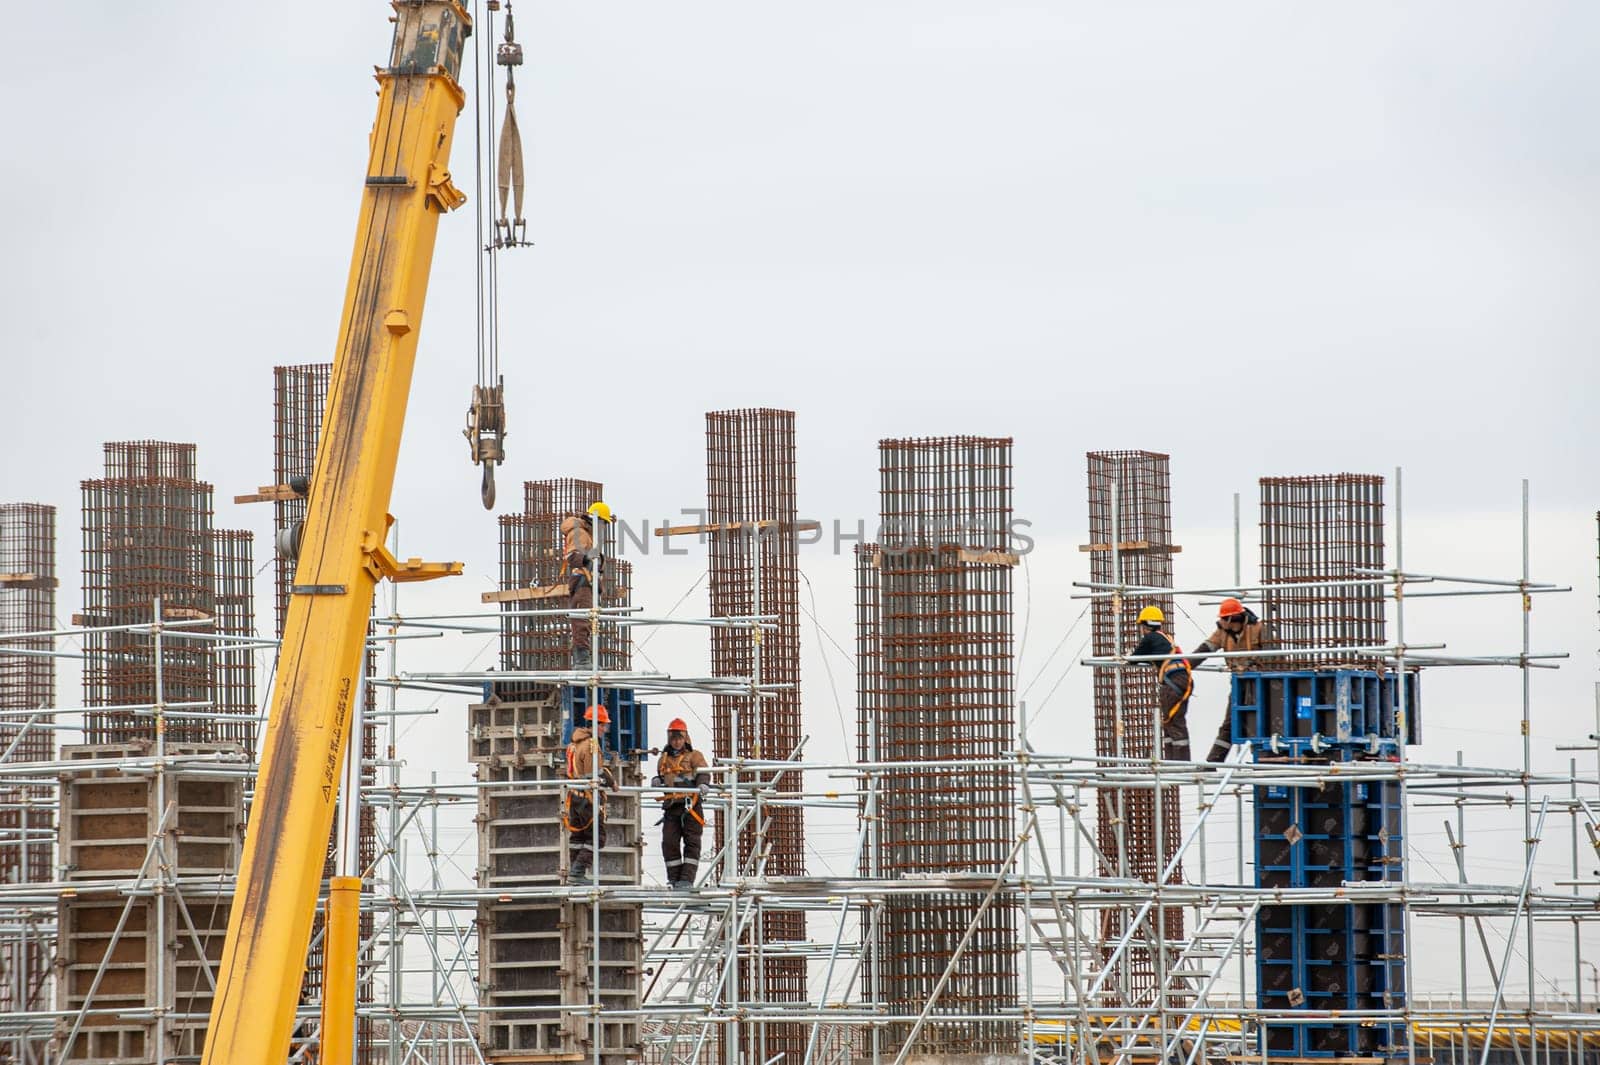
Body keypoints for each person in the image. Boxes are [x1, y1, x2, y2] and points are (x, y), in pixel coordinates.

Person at [1188, 597, 1275, 763]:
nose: (1220, 622)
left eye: (1222, 618)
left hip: (1261, 683)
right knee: (1231, 721)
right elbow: (1205, 649)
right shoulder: (1222, 632)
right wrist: (1185, 665)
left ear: (1231, 618)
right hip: (1238, 682)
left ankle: (1264, 759)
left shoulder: (1258, 629)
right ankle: (1213, 762)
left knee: (1261, 720)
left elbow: (1273, 658)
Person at [1128, 605, 1195, 760]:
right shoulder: (1165, 638)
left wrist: (1126, 659)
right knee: (1170, 723)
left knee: (1174, 723)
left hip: (1174, 683)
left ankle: (1180, 764)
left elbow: (1134, 659)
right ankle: (1173, 761)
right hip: (1181, 681)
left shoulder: (1150, 638)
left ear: (1145, 625)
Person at [651, 718, 710, 892]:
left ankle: (686, 880)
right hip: (672, 806)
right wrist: (657, 780)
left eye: (679, 738)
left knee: (692, 842)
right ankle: (674, 878)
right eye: (673, 738)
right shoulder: (664, 759)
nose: (676, 741)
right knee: (669, 842)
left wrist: (703, 784)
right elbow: (663, 777)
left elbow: (703, 773)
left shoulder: (694, 756)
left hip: (691, 805)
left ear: (685, 738)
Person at [564, 705, 616, 880]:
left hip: (574, 796)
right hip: (587, 797)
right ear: (595, 725)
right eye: (603, 725)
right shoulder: (591, 745)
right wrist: (612, 781)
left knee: (578, 837)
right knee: (596, 837)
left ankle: (574, 872)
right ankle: (578, 873)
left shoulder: (574, 743)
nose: (604, 729)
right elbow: (594, 771)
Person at [560, 501, 613, 670]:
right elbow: (573, 557)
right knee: (582, 621)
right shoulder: (580, 533)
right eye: (603, 523)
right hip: (583, 583)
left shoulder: (587, 534)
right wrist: (589, 557)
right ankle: (582, 662)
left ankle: (585, 660)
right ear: (595, 521)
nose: (604, 528)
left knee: (587, 620)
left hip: (587, 582)